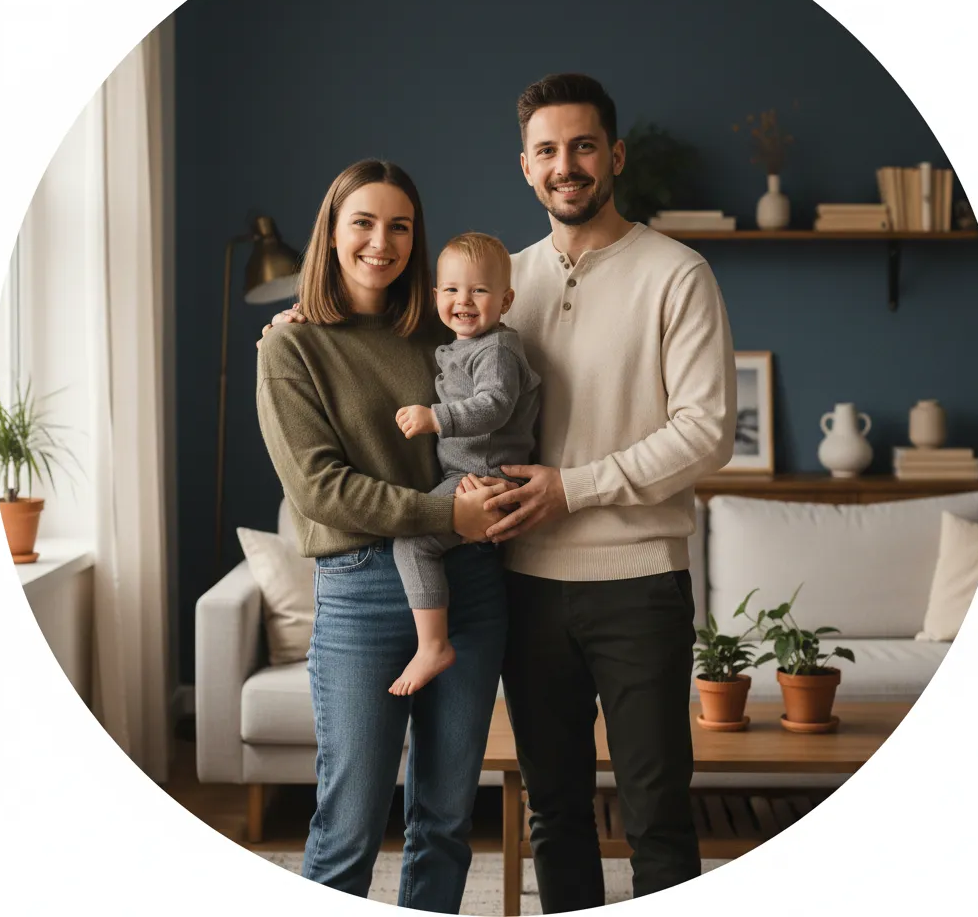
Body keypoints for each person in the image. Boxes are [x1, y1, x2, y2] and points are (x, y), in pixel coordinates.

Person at [266, 73, 737, 912]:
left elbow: (706, 431)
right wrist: (292, 319)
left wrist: (571, 490)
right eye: (548, 151)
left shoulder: (672, 273)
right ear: (525, 167)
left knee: (649, 815)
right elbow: (345, 429)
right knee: (544, 812)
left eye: (584, 146)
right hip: (513, 580)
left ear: (614, 155)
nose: (567, 165)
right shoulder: (495, 285)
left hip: (622, 582)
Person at [255, 158, 509, 912]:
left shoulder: (447, 333)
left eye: (400, 226)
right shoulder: (289, 347)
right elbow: (319, 490)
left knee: (446, 819)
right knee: (350, 823)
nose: (382, 241)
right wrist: (445, 517)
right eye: (363, 222)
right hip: (364, 590)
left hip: (469, 585)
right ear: (331, 234)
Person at [389, 232, 540, 696]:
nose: (464, 301)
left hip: (487, 478)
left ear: (506, 299)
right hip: (469, 475)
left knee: (412, 542)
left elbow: (494, 404)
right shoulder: (459, 345)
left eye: (479, 290)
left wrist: (437, 417)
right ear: (436, 296)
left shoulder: (496, 350)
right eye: (452, 290)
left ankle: (432, 645)